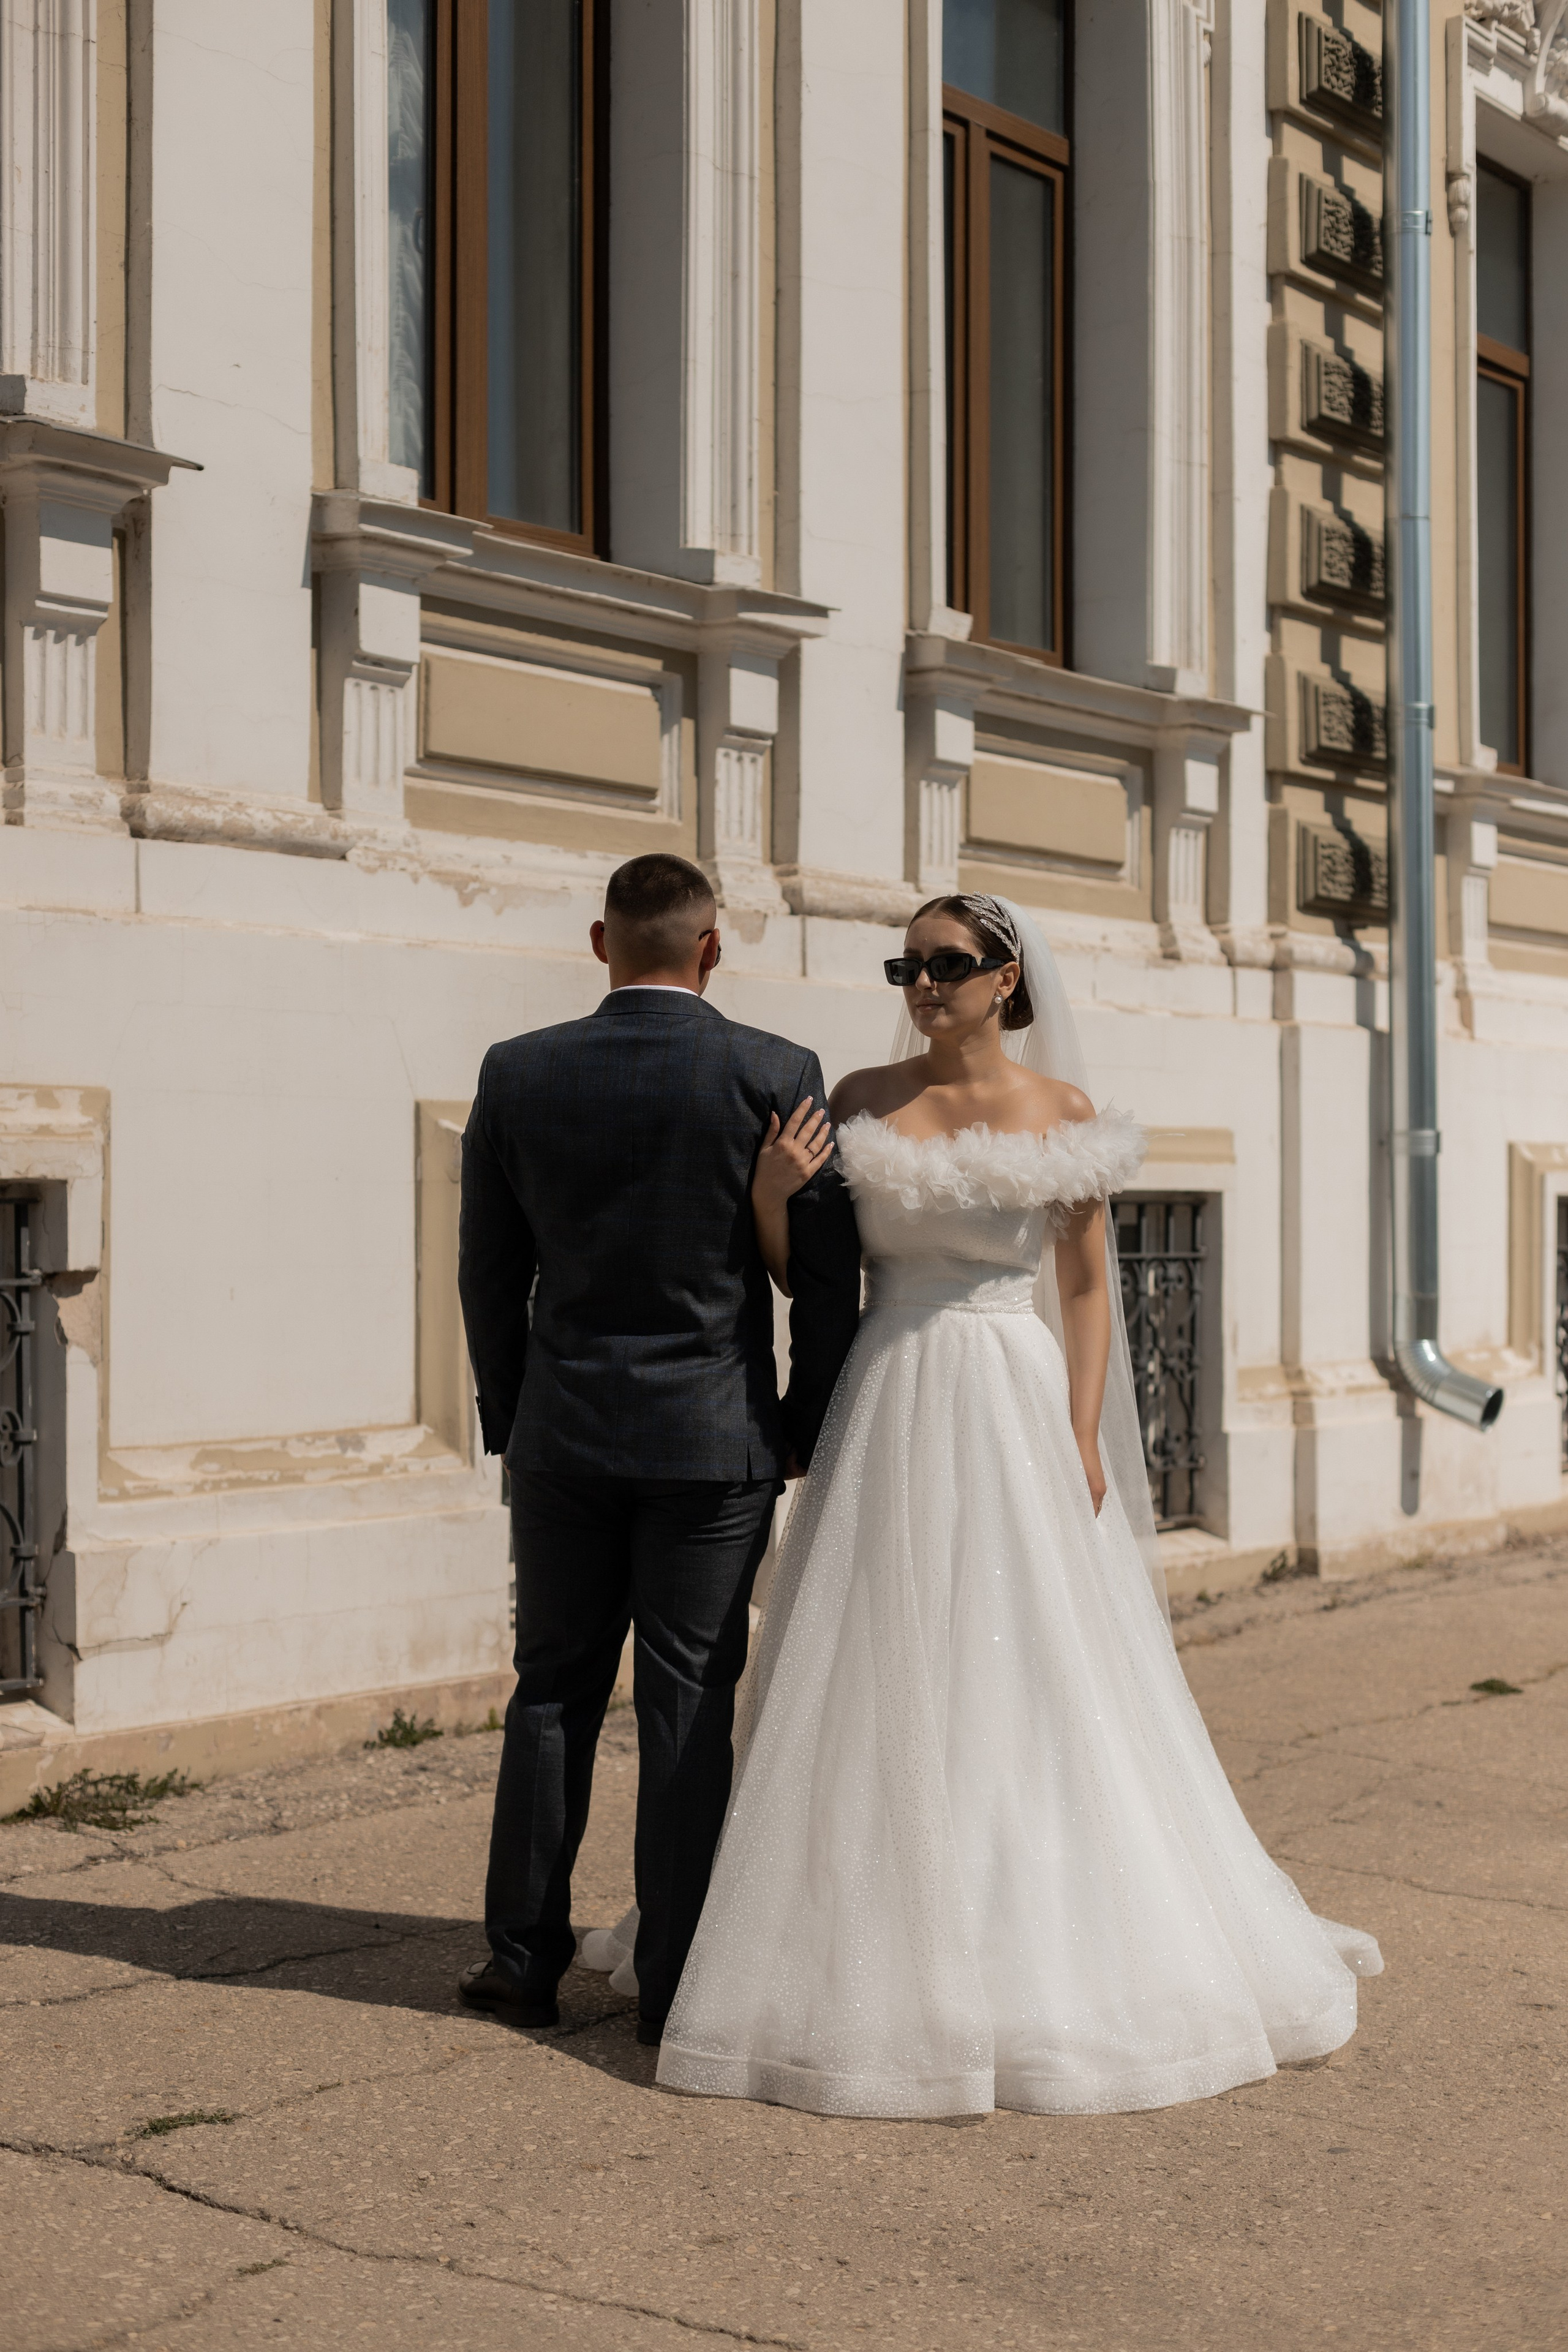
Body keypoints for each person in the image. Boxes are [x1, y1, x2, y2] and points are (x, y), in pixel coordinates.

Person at [649, 892, 1382, 2117]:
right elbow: (811, 1275)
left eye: (946, 964)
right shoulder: (861, 1096)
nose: (922, 984)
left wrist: (1083, 1428)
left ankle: (1029, 1919)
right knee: (874, 1659)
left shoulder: (1063, 1113)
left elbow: (1087, 1288)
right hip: (886, 1389)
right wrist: (776, 1200)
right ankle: (855, 1928)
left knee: (1026, 1660)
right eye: (908, 965)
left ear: (1005, 978)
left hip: (1006, 1391)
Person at [455, 853, 862, 2045]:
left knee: (550, 1693)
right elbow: (824, 1284)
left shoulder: (518, 1071)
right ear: (710, 947)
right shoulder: (770, 1073)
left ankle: (521, 1964)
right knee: (687, 1701)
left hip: (564, 1435)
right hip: (713, 1435)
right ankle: (676, 1986)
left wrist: (513, 1421)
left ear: (599, 943)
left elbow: (490, 1274)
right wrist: (801, 1425)